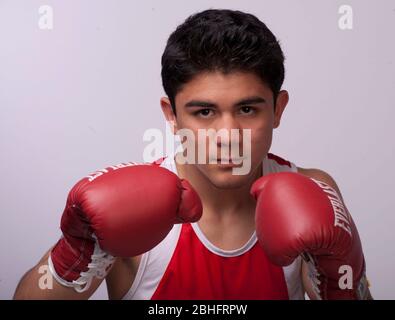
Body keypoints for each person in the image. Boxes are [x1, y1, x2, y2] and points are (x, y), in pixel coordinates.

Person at [13, 9, 372, 300]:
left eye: (248, 110)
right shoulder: (130, 208)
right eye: (204, 112)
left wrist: (344, 281)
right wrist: (77, 249)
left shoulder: (310, 191)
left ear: (278, 109)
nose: (228, 137)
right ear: (171, 115)